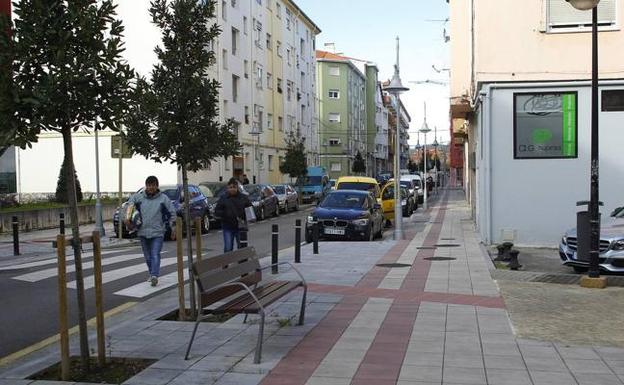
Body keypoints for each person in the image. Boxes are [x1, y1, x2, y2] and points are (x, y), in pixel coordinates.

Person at [126, 176, 176, 287]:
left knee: (155, 254)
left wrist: (173, 229)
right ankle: (151, 273)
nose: (151, 187)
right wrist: (128, 219)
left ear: (157, 186)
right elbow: (129, 206)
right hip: (143, 232)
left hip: (158, 232)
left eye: (153, 185)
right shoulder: (138, 198)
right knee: (148, 256)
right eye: (149, 185)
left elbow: (172, 213)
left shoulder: (164, 199)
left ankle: (154, 275)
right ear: (146, 186)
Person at [215, 177, 252, 252]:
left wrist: (248, 218)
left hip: (241, 226)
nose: (232, 189)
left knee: (242, 247)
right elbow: (217, 211)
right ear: (227, 188)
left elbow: (249, 210)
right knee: (228, 247)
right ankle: (226, 262)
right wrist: (225, 214)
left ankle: (242, 262)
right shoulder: (223, 198)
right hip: (228, 226)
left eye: (234, 187)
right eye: (230, 187)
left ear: (237, 188)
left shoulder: (243, 198)